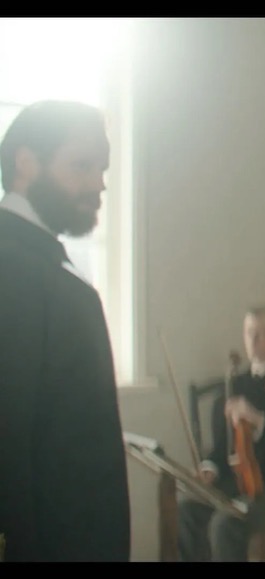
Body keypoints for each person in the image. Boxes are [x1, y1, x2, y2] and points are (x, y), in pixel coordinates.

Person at [0, 100, 131, 561]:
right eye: (82, 165)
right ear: (26, 163)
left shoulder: (42, 272)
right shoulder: (25, 277)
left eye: (102, 169)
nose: (99, 183)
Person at [177, 304, 265, 561]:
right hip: (236, 484)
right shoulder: (236, 384)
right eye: (248, 332)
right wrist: (211, 467)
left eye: (261, 333)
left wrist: (258, 419)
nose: (252, 340)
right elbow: (224, 445)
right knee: (187, 509)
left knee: (225, 524)